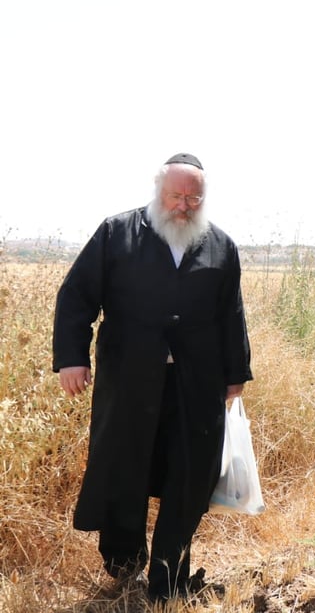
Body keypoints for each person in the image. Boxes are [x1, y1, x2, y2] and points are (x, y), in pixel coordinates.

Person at [52, 153, 253, 603]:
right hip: (129, 380)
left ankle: (169, 579)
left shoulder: (221, 246)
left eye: (192, 198)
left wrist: (236, 373)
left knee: (189, 476)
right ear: (159, 191)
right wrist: (71, 358)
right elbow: (77, 296)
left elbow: (231, 314)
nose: (183, 205)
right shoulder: (116, 233)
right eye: (176, 196)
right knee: (125, 468)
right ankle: (124, 566)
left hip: (195, 386)